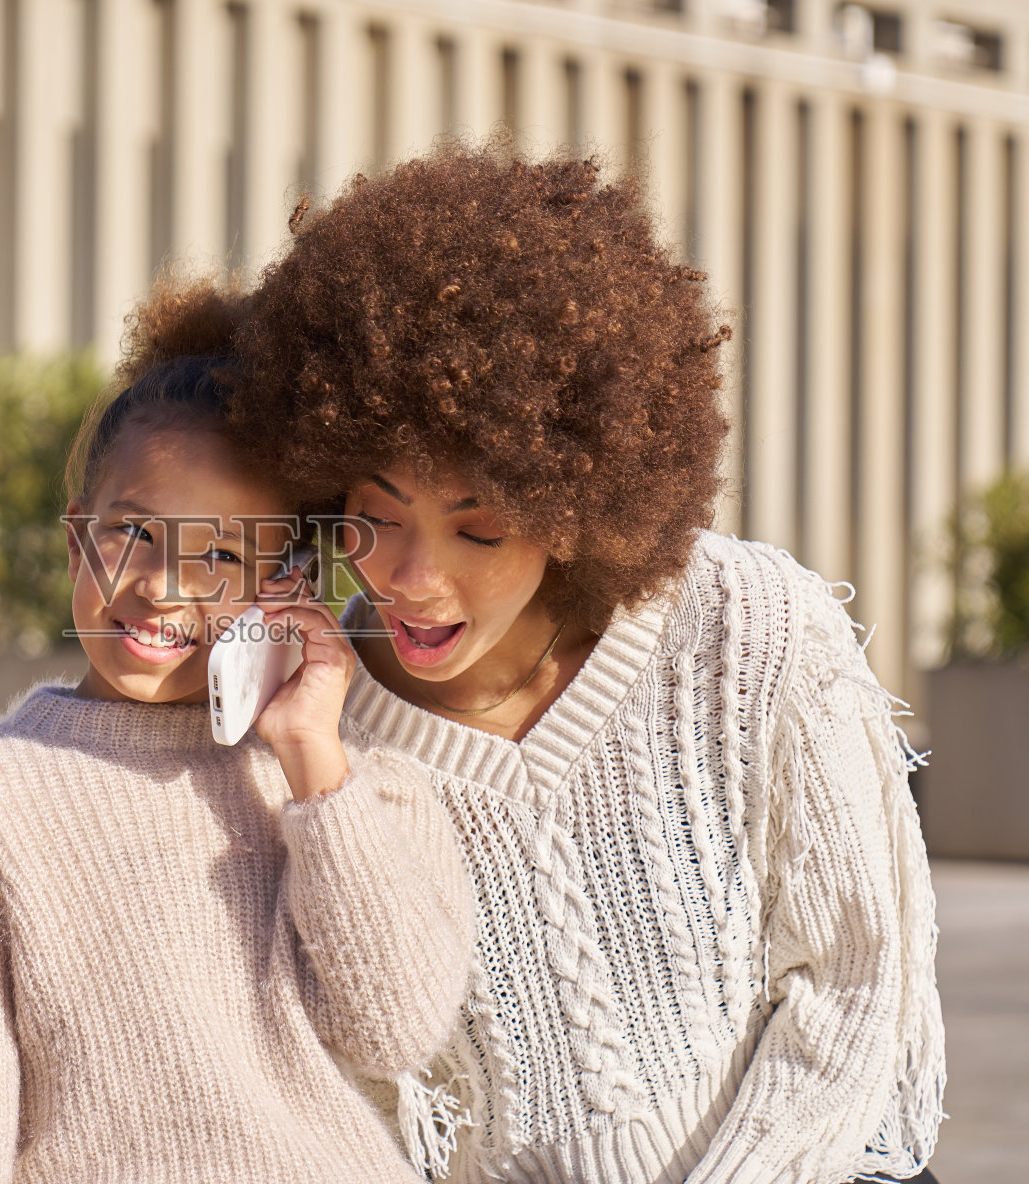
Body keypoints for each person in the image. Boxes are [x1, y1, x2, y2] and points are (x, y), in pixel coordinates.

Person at [230, 142, 944, 1184]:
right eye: (374, 516)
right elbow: (350, 1099)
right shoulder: (308, 722)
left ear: (574, 503)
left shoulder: (749, 629)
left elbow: (850, 983)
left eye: (479, 530)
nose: (413, 579)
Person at [0, 282, 476, 1183]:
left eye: (220, 556)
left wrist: (309, 754)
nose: (162, 587)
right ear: (77, 545)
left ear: (286, 586)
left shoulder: (346, 789)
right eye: (134, 532)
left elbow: (394, 1024)